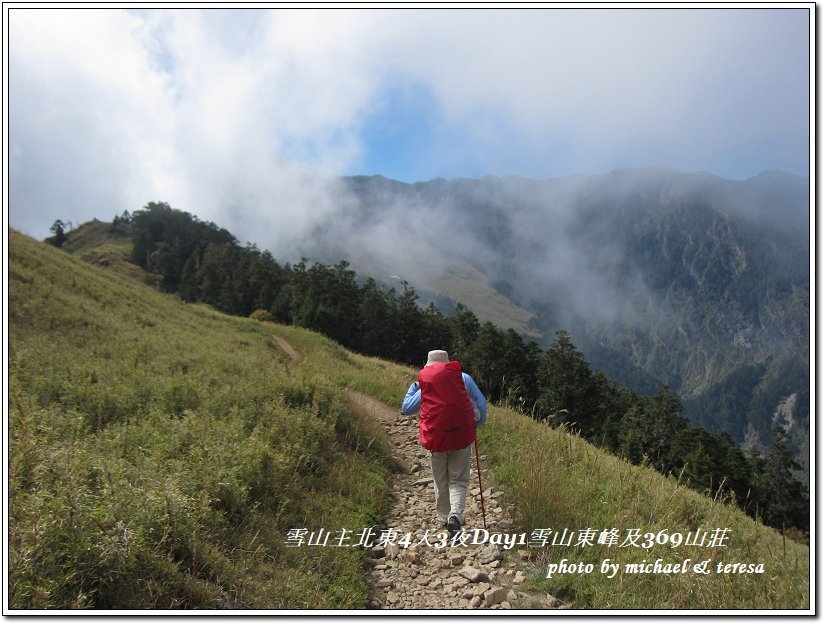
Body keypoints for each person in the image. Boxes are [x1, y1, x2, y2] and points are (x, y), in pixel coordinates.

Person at [401, 350, 487, 533]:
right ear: (447, 362)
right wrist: (476, 423)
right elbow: (481, 403)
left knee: (440, 480)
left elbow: (406, 409)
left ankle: (443, 518)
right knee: (459, 480)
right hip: (461, 437)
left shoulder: (426, 382)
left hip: (436, 438)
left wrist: (415, 387)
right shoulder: (464, 378)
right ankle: (455, 515)